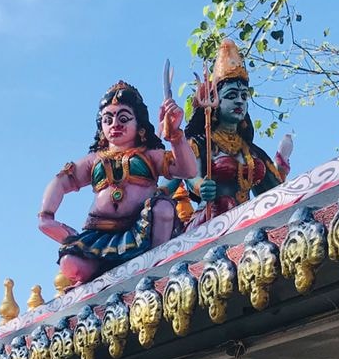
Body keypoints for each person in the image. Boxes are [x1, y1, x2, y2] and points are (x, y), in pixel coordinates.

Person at [37, 80, 203, 288]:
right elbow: (61, 181)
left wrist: (175, 135)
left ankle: (158, 267)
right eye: (108, 119)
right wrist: (46, 216)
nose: (115, 124)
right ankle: (102, 276)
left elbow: (187, 170)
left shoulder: (149, 155)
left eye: (123, 118)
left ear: (139, 125)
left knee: (162, 207)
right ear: (101, 127)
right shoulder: (95, 160)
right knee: (70, 263)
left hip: (143, 229)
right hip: (99, 234)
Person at [175, 39, 292, 225]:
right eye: (231, 96)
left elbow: (273, 193)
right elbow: (190, 174)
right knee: (225, 204)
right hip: (208, 222)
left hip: (245, 222)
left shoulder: (252, 152)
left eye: (244, 96)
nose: (239, 101)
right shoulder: (200, 144)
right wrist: (200, 186)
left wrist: (280, 169)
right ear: (215, 102)